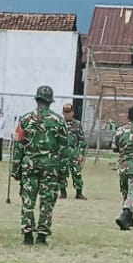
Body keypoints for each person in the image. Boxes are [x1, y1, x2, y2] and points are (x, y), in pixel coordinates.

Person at [15, 85, 72, 245]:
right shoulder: (59, 121)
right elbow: (64, 149)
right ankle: (42, 235)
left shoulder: (25, 119)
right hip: (50, 167)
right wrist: (63, 173)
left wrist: (15, 169)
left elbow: (18, 146)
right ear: (50, 101)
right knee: (47, 201)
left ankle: (27, 234)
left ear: (37, 100)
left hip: (29, 165)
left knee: (28, 200)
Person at [58, 102, 87, 199]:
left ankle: (79, 193)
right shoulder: (59, 124)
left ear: (73, 113)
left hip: (74, 153)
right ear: (63, 113)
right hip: (62, 153)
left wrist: (81, 153)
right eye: (65, 112)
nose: (67, 114)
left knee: (76, 173)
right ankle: (63, 192)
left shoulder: (77, 124)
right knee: (61, 173)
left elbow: (82, 140)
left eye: (69, 112)